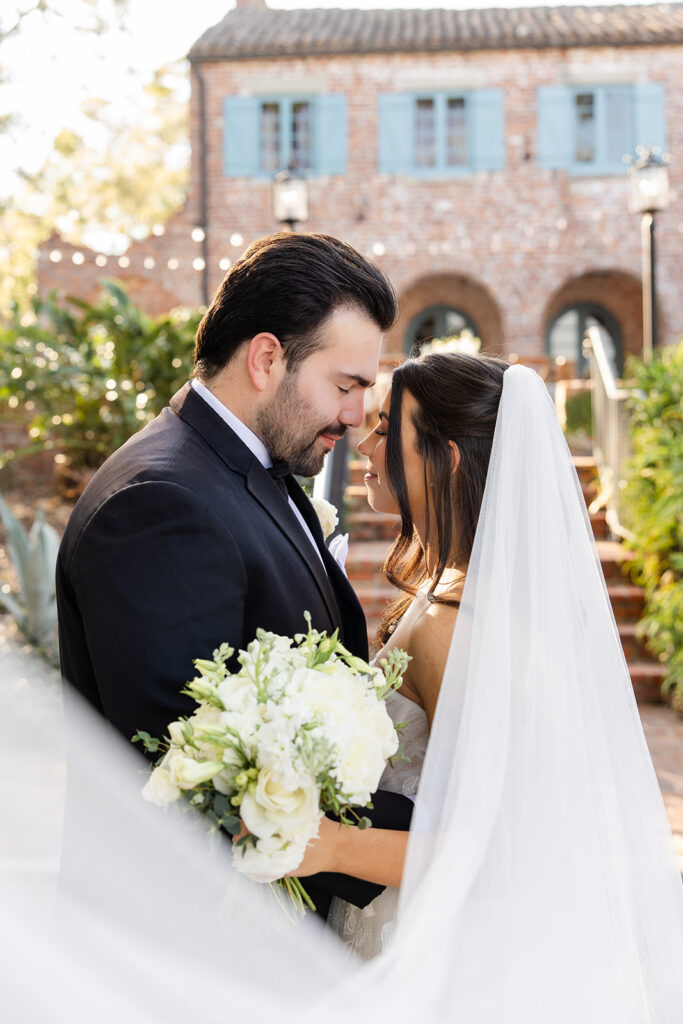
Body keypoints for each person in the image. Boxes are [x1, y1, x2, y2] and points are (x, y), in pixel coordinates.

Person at [287, 351, 683, 1021]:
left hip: (434, 957)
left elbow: (500, 846)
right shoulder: (449, 594)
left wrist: (323, 844)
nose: (365, 440)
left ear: (445, 458)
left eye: (387, 427)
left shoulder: (453, 625)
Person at [55, 231, 414, 920]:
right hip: (196, 941)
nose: (355, 416)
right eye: (345, 386)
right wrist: (433, 838)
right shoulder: (161, 505)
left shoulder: (245, 468)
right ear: (266, 358)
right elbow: (204, 769)